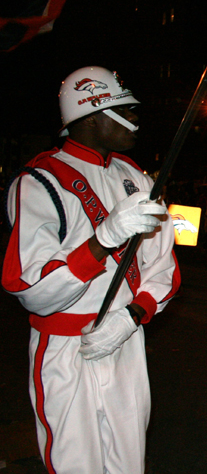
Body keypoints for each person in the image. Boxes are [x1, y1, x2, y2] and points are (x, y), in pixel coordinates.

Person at [2, 66, 180, 473]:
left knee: (128, 462)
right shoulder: (40, 181)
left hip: (124, 339)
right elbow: (29, 285)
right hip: (66, 349)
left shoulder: (136, 177)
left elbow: (163, 267)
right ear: (94, 116)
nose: (137, 120)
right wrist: (104, 238)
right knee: (74, 463)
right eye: (127, 110)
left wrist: (134, 315)